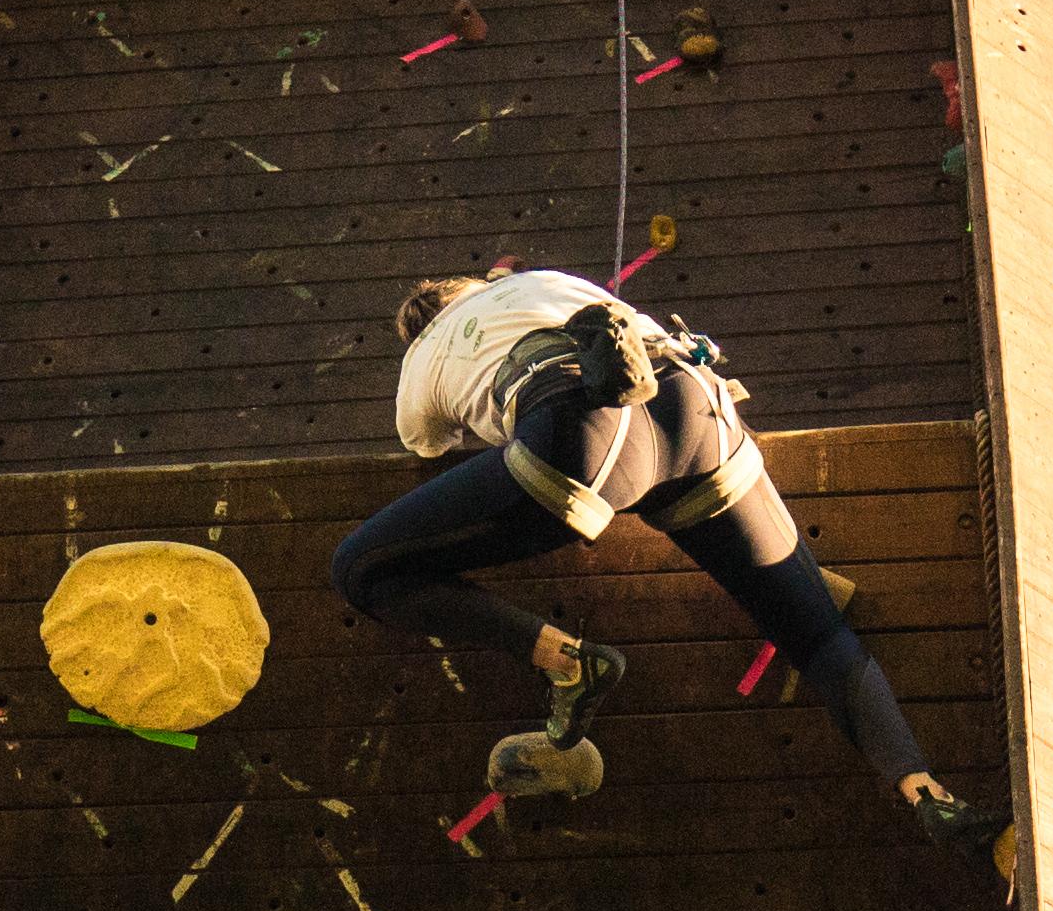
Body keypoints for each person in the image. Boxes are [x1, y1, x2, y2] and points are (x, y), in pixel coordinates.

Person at [334, 263, 1009, 873]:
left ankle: (567, 661)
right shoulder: (542, 279)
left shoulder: (423, 354)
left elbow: (428, 444)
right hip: (697, 409)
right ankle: (928, 792)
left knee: (361, 570)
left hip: (582, 435)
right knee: (821, 638)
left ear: (417, 330)